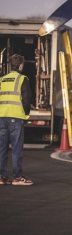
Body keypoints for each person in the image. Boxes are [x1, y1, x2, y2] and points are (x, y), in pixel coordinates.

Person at [0, 54, 33, 186]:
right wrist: (25, 114)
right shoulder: (22, 79)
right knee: (16, 148)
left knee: (2, 148)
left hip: (1, 117)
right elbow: (26, 100)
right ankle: (17, 177)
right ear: (20, 65)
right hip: (16, 117)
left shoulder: (2, 79)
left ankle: (1, 176)